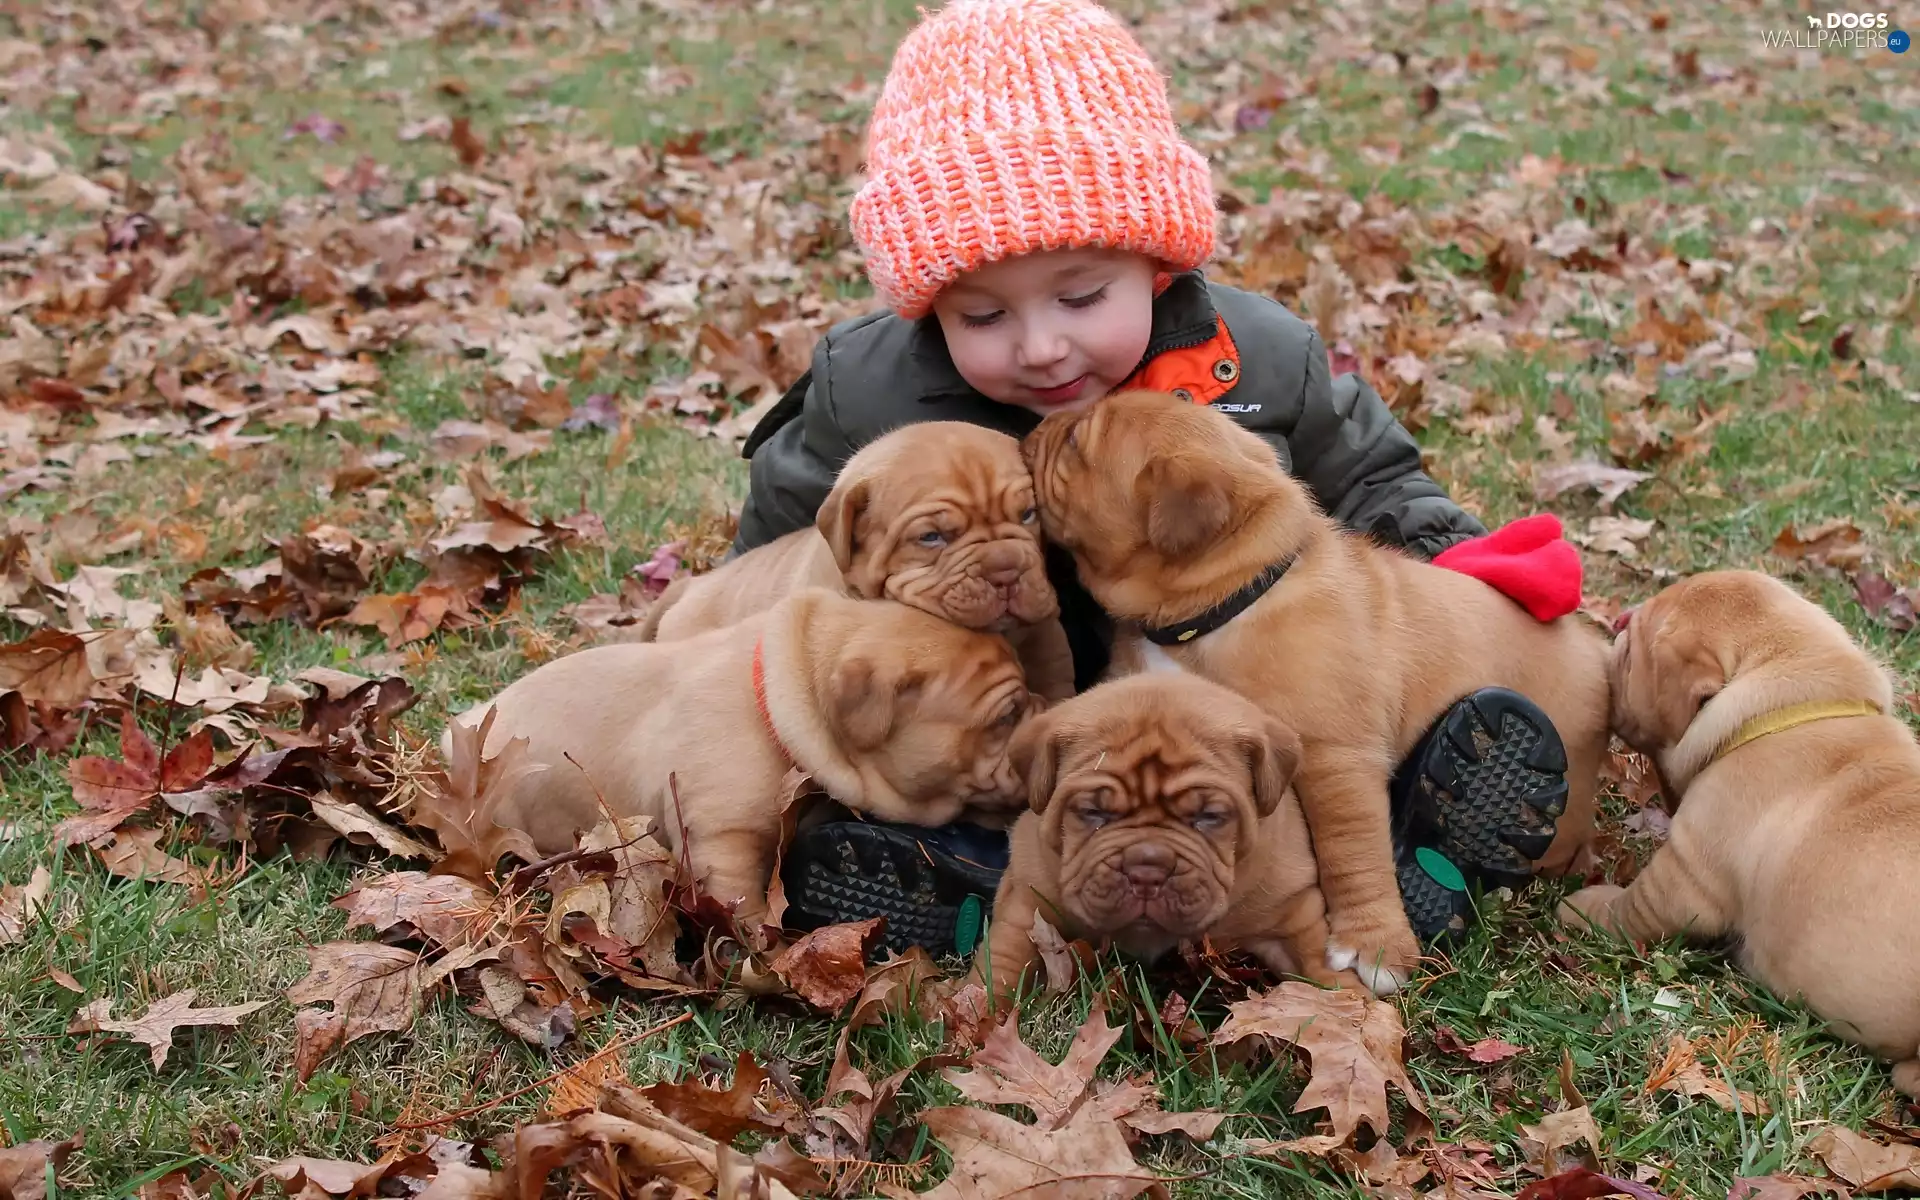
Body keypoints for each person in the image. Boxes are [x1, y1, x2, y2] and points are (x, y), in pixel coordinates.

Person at [730, 0, 1584, 960]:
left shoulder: (1258, 360)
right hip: (1005, 706)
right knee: (947, 763)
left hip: (1210, 724)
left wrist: (1452, 555)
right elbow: (773, 552)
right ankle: (945, 867)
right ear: (929, 309)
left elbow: (1375, 479)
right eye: (982, 318)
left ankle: (1413, 835)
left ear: (1156, 257)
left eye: (1084, 296)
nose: (1042, 348)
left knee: (1320, 750)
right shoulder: (870, 389)